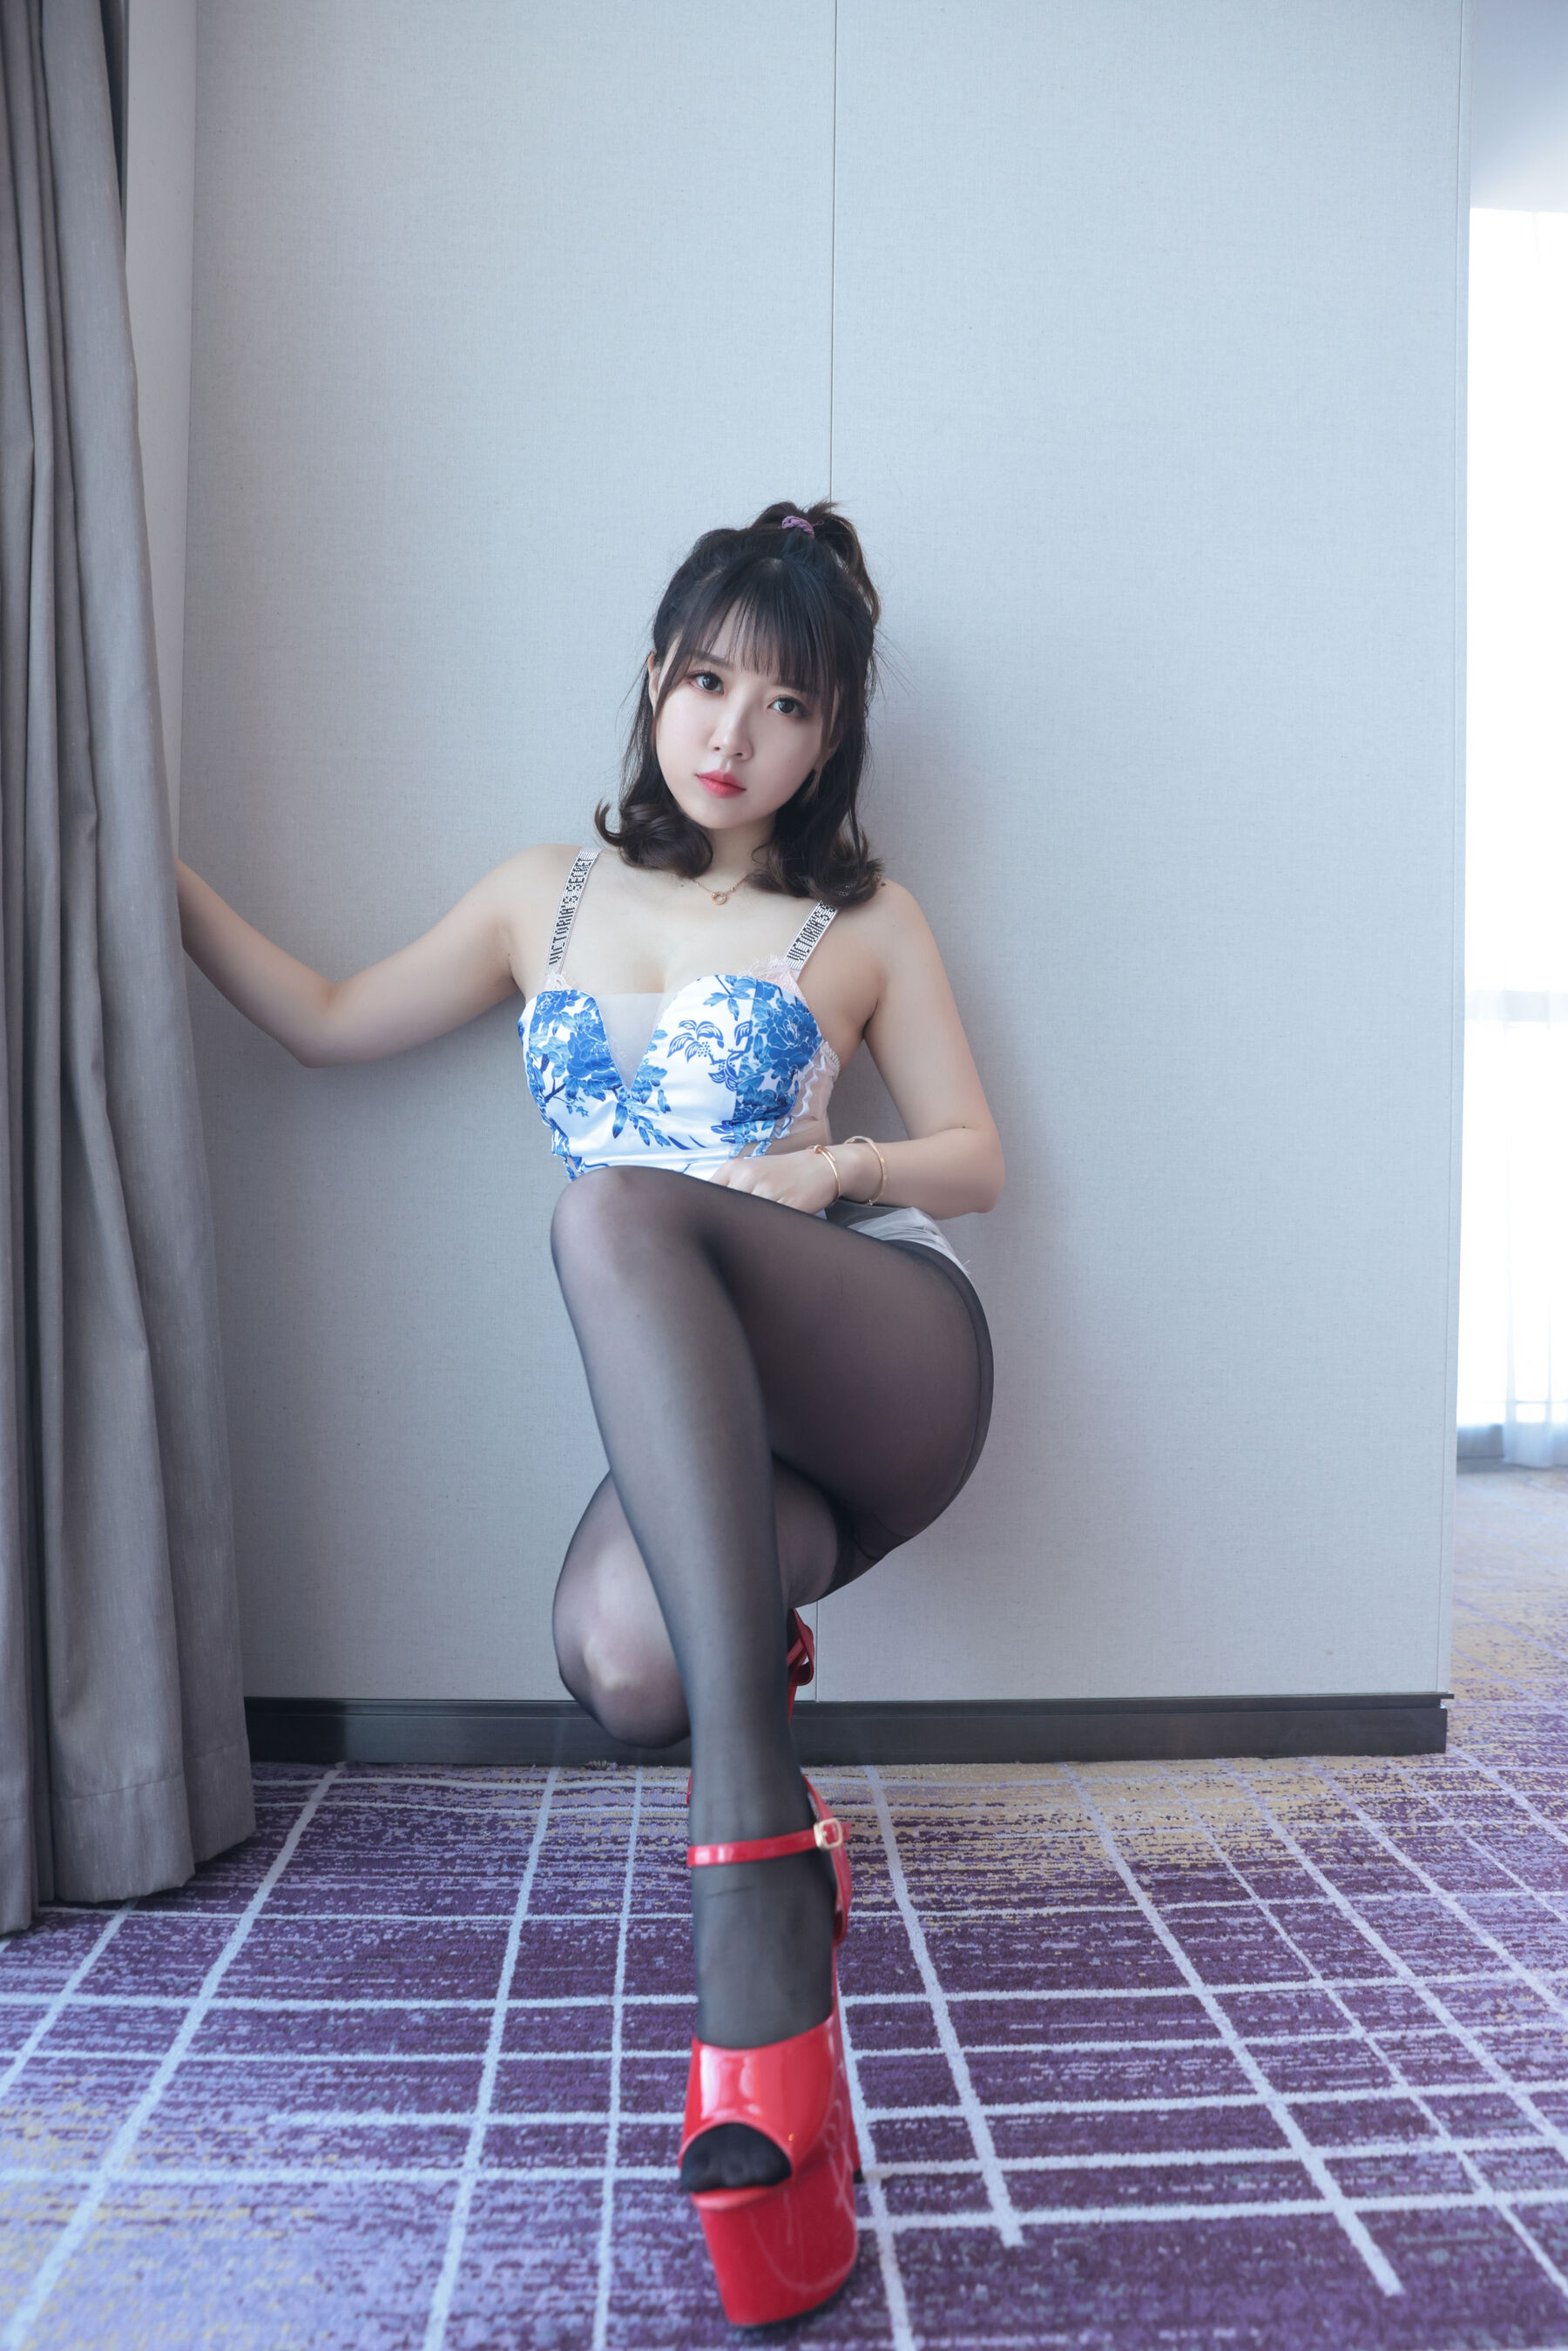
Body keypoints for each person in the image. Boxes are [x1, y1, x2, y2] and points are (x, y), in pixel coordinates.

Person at [175, 502, 1003, 2326]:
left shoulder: (861, 921)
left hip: (886, 1352)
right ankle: (770, 1816)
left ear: (830, 736)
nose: (734, 733)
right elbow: (323, 1014)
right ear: (653, 681)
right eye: (707, 682)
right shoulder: (538, 895)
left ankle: (751, 1878)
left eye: (786, 705)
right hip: (733, 1439)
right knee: (621, 1663)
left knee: (608, 1210)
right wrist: (134, 866)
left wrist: (835, 1169)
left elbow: (977, 1154)